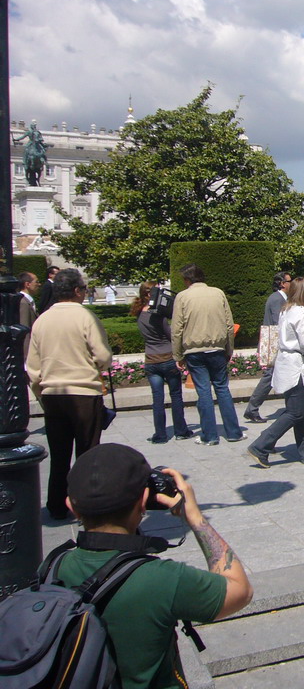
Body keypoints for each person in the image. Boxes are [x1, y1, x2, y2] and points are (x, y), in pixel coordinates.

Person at [55, 443, 252, 689]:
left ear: (71, 507)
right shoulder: (161, 579)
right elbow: (239, 590)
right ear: (144, 501)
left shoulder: (53, 567)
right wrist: (194, 516)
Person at [26, 268, 113, 520]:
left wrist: (41, 392)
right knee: (87, 453)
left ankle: (56, 504)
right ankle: (85, 503)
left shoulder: (42, 320)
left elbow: (32, 366)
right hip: (84, 393)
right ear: (77, 291)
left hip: (53, 394)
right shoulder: (85, 317)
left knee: (59, 454)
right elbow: (104, 357)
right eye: (84, 289)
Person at [247, 278, 304, 467]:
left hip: (287, 363)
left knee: (300, 411)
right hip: (297, 366)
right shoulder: (301, 314)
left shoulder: (287, 310)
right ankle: (261, 445)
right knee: (296, 413)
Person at [171, 264, 245, 445]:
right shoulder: (218, 293)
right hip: (217, 349)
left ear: (187, 280)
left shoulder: (182, 297)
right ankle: (234, 432)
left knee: (203, 392)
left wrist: (177, 355)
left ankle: (209, 436)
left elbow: (176, 329)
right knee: (222, 389)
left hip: (194, 351)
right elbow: (229, 324)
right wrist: (229, 349)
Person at [133, 282, 191, 444]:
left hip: (151, 360)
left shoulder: (139, 313)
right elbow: (171, 334)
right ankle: (181, 430)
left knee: (157, 398)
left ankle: (160, 434)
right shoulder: (157, 315)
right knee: (175, 396)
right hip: (167, 358)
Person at [244, 271, 293, 424]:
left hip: (278, 344)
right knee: (270, 376)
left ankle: (291, 407)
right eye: (289, 281)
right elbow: (278, 323)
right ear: (282, 283)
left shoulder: (281, 298)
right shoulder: (276, 299)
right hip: (276, 345)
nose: (291, 283)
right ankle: (252, 409)